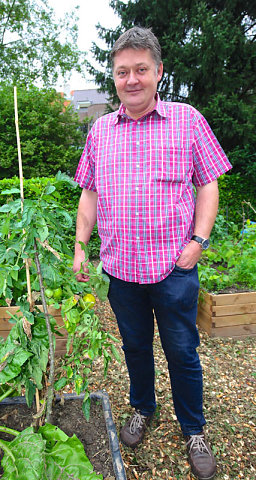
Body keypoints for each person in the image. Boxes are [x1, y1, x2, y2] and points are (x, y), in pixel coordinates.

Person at [73, 26, 232, 480]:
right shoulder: (100, 130)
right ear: (114, 77)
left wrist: (197, 243)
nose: (132, 79)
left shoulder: (188, 120)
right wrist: (82, 247)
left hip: (173, 269)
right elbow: (88, 193)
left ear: (158, 71)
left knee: (182, 351)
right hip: (122, 272)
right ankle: (143, 407)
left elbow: (209, 182)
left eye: (141, 69)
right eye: (122, 71)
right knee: (136, 348)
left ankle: (194, 430)